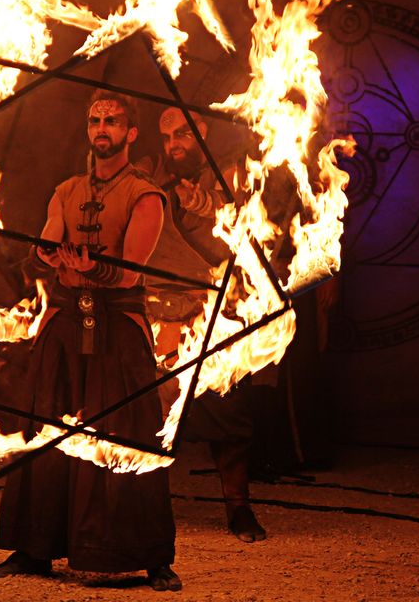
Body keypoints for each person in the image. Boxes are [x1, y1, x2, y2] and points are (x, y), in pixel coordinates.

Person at [0, 90, 181, 592]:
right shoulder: (66, 190)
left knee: (129, 436)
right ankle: (33, 549)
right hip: (64, 324)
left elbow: (127, 275)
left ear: (130, 133)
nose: (102, 128)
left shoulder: (145, 195)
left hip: (119, 330)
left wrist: (92, 267)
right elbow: (51, 239)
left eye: (113, 122)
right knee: (46, 428)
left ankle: (152, 557)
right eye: (95, 120)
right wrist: (47, 255)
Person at [135, 106, 268, 543]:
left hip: (215, 309)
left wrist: (204, 203)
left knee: (228, 410)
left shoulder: (231, 173)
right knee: (147, 409)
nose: (175, 144)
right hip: (159, 311)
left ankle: (239, 507)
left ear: (203, 134)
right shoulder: (151, 178)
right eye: (168, 136)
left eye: (184, 135)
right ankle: (143, 503)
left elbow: (238, 218)